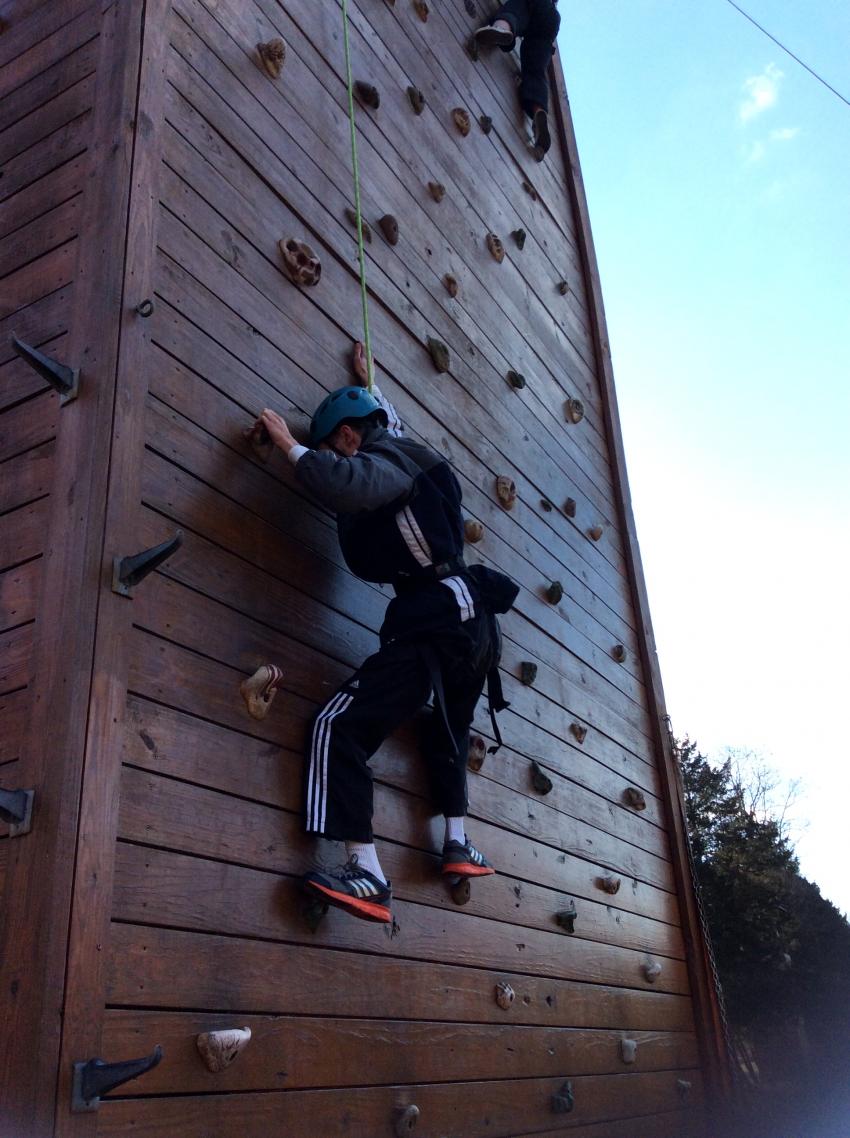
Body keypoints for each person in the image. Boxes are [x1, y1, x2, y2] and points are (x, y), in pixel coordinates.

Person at [255, 344, 517, 923]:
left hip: (435, 622)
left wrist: (290, 446)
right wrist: (372, 381)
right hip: (476, 628)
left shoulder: (385, 463)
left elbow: (346, 482)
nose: (334, 456)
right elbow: (387, 422)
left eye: (334, 446)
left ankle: (367, 873)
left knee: (336, 726)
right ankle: (456, 839)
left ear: (348, 437)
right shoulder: (405, 448)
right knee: (448, 728)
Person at [475, 0, 561, 160]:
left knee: (517, 8)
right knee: (535, 68)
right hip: (551, 20)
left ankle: (502, 28)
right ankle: (538, 110)